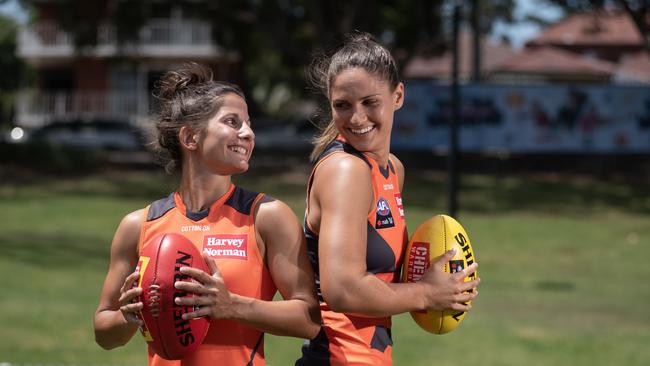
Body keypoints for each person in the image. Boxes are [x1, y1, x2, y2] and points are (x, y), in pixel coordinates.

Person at [93, 63, 321, 365]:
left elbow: (309, 319)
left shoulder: (266, 216)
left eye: (248, 123)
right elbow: (103, 333)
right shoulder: (139, 225)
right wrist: (129, 316)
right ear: (190, 138)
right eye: (233, 122)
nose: (248, 133)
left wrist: (232, 306)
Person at [295, 32, 480, 366]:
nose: (357, 118)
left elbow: (381, 281)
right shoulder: (345, 171)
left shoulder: (392, 170)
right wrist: (426, 292)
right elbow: (342, 290)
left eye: (370, 102)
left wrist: (449, 284)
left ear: (398, 96)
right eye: (343, 105)